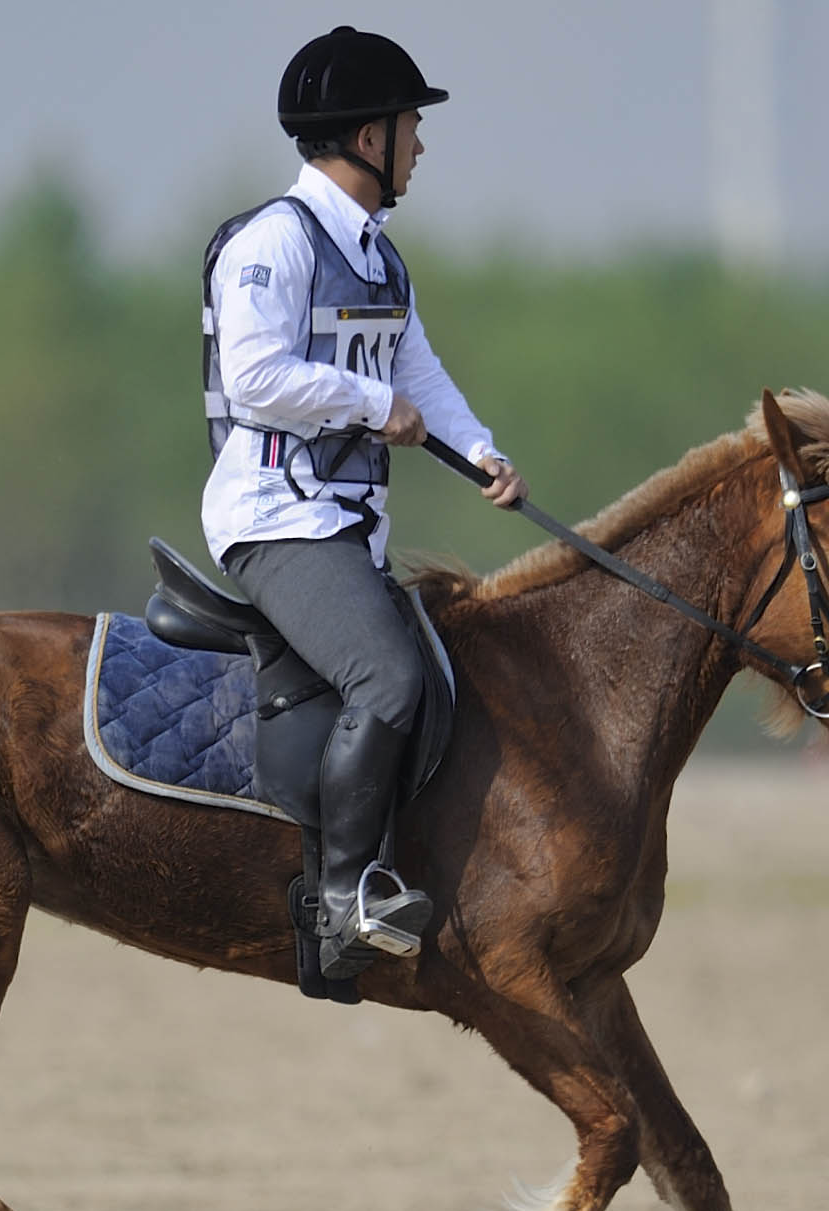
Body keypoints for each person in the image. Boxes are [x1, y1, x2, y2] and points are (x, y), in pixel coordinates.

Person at [200, 25, 523, 977]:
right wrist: (375, 405)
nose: (420, 142)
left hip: (340, 527)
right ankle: (342, 902)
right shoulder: (274, 242)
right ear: (366, 136)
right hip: (274, 517)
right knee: (388, 677)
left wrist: (480, 452)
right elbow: (257, 376)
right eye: (410, 124)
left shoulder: (381, 259)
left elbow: (418, 371)